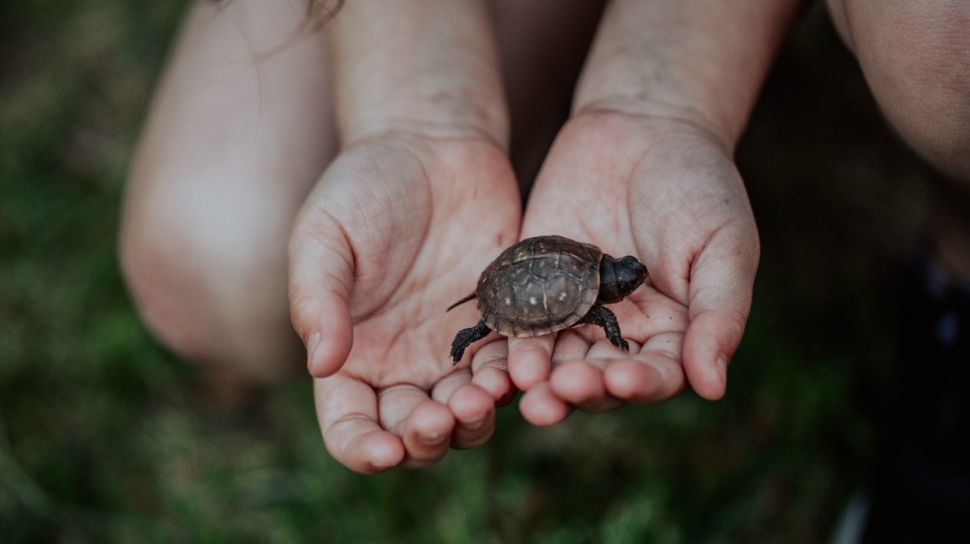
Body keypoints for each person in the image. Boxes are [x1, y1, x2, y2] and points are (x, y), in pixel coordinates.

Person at [120, 0, 970, 483]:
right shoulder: (600, 297)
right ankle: (509, 130)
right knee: (220, 250)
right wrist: (416, 114)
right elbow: (594, 311)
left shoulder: (602, 291)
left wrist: (665, 92)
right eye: (625, 282)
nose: (628, 286)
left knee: (948, 50)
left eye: (625, 280)